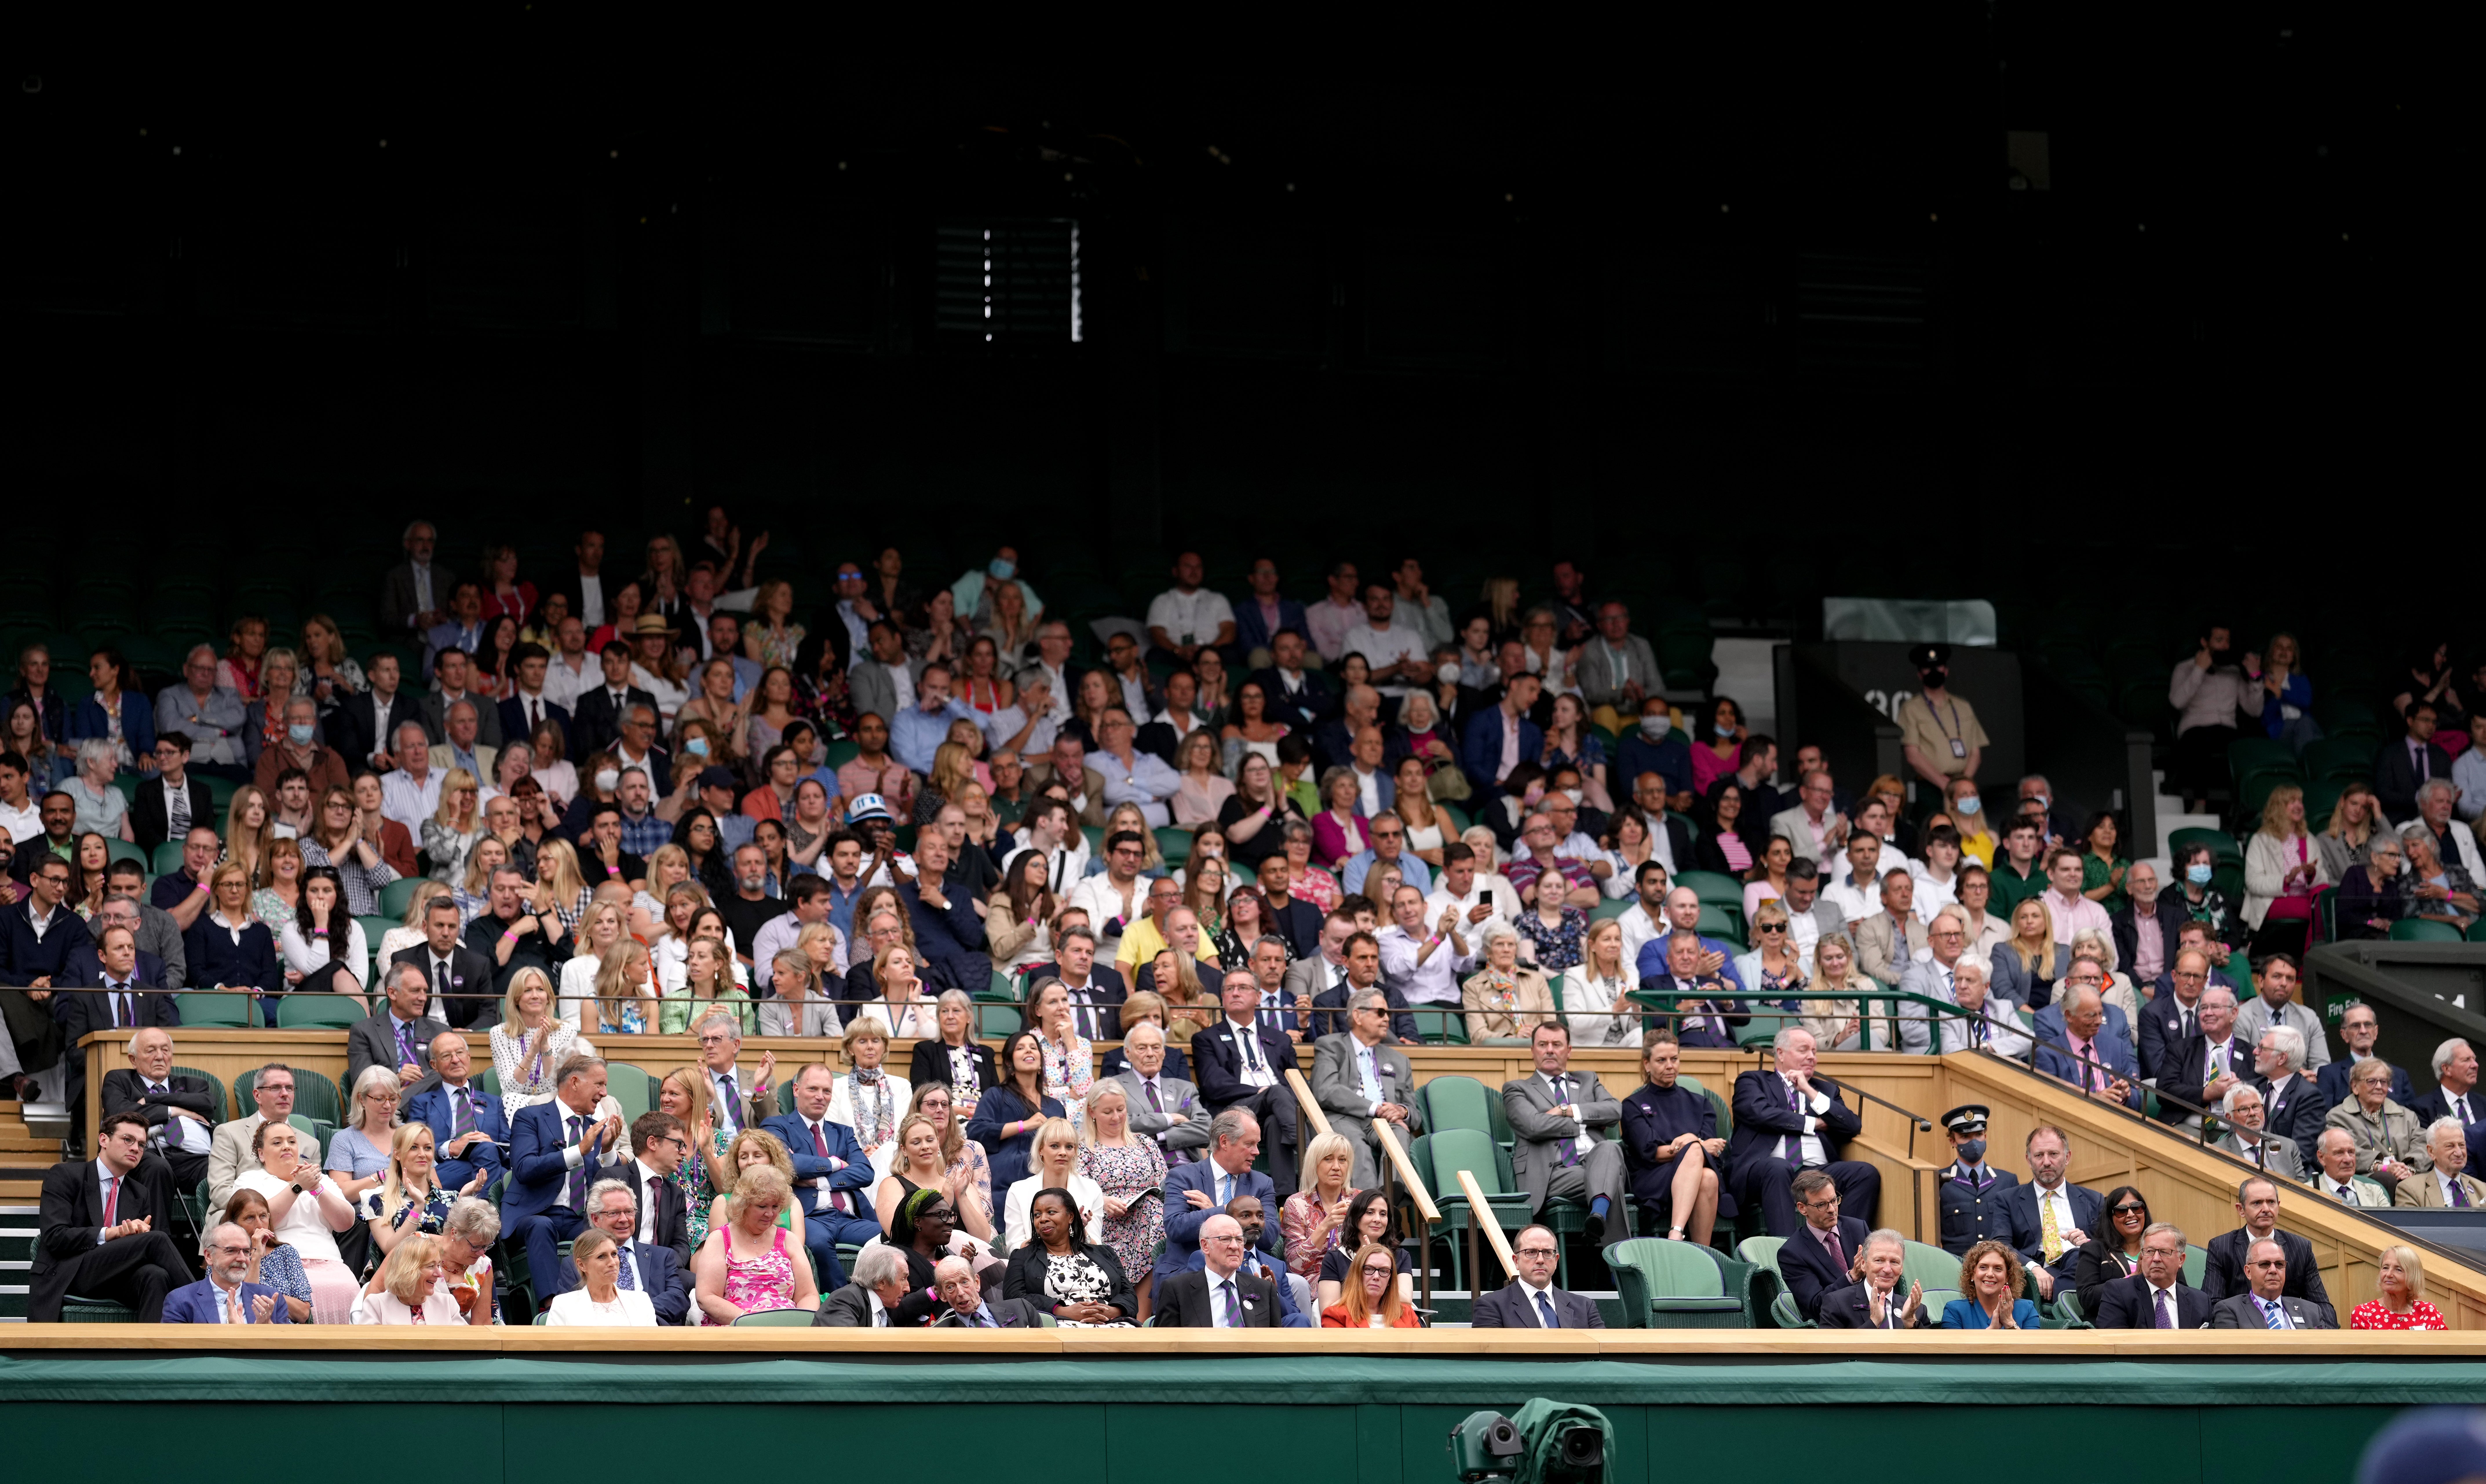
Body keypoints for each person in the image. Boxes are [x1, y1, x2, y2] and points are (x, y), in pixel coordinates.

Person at [29, 1110, 191, 1322]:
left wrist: (136, 1237)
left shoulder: (140, 1193)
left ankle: (152, 1343)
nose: (136, 1148)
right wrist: (111, 1233)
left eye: (142, 1145)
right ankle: (207, 1304)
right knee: (157, 1240)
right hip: (70, 1271)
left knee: (156, 1276)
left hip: (116, 1274)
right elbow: (55, 1237)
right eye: (128, 1140)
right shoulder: (65, 1175)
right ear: (104, 1140)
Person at [1726, 1026, 1880, 1237]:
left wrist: (1808, 1090)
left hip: (1816, 1171)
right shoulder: (1754, 1081)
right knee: (1778, 1167)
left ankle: (1846, 1245)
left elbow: (1852, 1126)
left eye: (1815, 1052)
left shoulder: (1825, 1091)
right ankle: (1788, 1251)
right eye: (1804, 1050)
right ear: (1781, 1053)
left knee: (1865, 1173)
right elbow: (1760, 1113)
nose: (1812, 1057)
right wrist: (1813, 1123)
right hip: (1765, 1169)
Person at [504, 1053, 622, 1313]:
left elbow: (610, 1185)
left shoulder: (595, 1129)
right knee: (541, 1226)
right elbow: (524, 1169)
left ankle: (605, 1306)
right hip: (533, 1213)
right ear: (576, 1082)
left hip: (578, 1218)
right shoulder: (530, 1117)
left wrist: (608, 1150)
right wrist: (578, 1151)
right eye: (599, 1084)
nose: (604, 1093)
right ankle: (552, 1310)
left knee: (605, 1234)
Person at [1501, 1019, 1628, 1243]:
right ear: (1532, 1051)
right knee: (1611, 1179)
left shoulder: (1588, 1080)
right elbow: (1534, 1126)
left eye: (1557, 1045)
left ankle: (1599, 1217)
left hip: (1597, 1160)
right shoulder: (1517, 1089)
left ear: (1569, 1051)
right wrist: (1585, 1123)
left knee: (1608, 1149)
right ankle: (1619, 1257)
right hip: (1554, 1173)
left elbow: (1614, 1110)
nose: (1550, 1050)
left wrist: (1567, 1110)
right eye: (1543, 1045)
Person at [233, 1116, 362, 1322]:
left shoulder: (321, 1179)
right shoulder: (250, 1180)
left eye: (292, 1141)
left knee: (349, 1288)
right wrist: (297, 1186)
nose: (287, 1146)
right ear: (262, 1154)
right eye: (277, 1143)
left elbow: (346, 1223)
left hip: (329, 1261)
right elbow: (258, 1222)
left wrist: (317, 1189)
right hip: (278, 1264)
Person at [1189, 973, 1303, 1194]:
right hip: (1235, 1109)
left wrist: (1274, 1095)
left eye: (1243, 988)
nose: (1235, 993)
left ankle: (1285, 1198)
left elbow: (1299, 1083)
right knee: (1277, 1093)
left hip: (1278, 1110)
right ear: (1223, 997)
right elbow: (1214, 1084)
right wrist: (1261, 1092)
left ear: (1259, 996)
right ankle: (1313, 1151)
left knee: (1275, 1123)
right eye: (1229, 989)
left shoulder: (1279, 1039)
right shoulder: (1207, 1039)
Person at [1616, 1031, 1726, 1244]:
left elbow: (1712, 1152)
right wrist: (1694, 1144)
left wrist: (1690, 1144)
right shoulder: (1633, 1105)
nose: (1670, 1066)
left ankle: (1694, 1249)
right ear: (1647, 1064)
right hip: (1653, 1176)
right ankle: (1679, 1235)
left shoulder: (1700, 1102)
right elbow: (1651, 1153)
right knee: (1696, 1151)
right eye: (1661, 1060)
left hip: (1696, 1173)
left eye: (1674, 1059)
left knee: (1709, 1177)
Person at [1311, 986, 1423, 1189]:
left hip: (1385, 1122)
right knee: (1355, 1145)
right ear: (1358, 1016)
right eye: (1380, 1012)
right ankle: (1367, 1201)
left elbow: (1415, 1114)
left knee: (1399, 1133)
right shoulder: (1331, 1045)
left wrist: (1402, 1111)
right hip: (1344, 1117)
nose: (1387, 1019)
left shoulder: (1399, 1060)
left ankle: (1390, 1199)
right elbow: (1326, 1090)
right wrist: (1376, 1108)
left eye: (1388, 1013)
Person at [693, 1163, 820, 1324]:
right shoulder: (720, 1239)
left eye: (775, 1207)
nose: (770, 1214)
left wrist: (800, 1325)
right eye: (762, 1206)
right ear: (743, 1204)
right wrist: (752, 1323)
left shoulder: (788, 1240)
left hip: (786, 1330)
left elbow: (808, 1295)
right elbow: (707, 1297)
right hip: (735, 1328)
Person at [1998, 1125, 2104, 1303]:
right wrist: (2033, 1268)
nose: (2046, 1162)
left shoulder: (2094, 1200)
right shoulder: (2008, 1200)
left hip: (2085, 1269)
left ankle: (2063, 1308)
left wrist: (2088, 1244)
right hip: (2037, 1276)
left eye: (2054, 1154)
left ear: (2067, 1157)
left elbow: (2109, 1245)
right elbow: (2001, 1245)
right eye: (2039, 1155)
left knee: (2078, 1256)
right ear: (2029, 1160)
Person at [2201, 1176, 2334, 1317]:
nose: (2266, 1209)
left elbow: (2323, 1308)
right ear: (2241, 1210)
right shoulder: (2222, 1248)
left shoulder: (2301, 1248)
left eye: (2271, 1202)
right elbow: (2212, 1307)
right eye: (2257, 1203)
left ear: (2278, 1206)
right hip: (2241, 1328)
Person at [966, 1029, 1067, 1193]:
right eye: (1021, 1048)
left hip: (1049, 1186)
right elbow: (976, 1131)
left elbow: (1066, 1146)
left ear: (1041, 1062)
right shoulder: (996, 1095)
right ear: (1009, 1062)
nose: (1028, 1051)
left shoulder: (1056, 1107)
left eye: (1033, 1048)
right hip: (1004, 1185)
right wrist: (1024, 1125)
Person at [2324, 1057, 2430, 1195]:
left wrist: (2408, 1169)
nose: (2379, 1087)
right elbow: (2345, 1153)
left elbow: (2423, 1145)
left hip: (2407, 1177)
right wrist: (2382, 1168)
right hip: (2365, 1180)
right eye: (2372, 1081)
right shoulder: (2338, 1117)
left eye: (2384, 1082)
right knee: (2386, 1179)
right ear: (2355, 1087)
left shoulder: (2407, 1116)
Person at [1153, 1211, 1277, 1327]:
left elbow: (1276, 1339)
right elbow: (1165, 1341)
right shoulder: (1177, 1290)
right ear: (1205, 1246)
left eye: (1240, 1240)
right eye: (1226, 1239)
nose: (1235, 1246)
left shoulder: (1264, 1289)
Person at [1471, 1221, 1605, 1328]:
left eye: (1547, 1253)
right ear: (1516, 1261)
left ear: (1556, 1260)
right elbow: (1491, 1353)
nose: (1541, 1260)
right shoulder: (1491, 1306)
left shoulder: (1585, 1307)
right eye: (1531, 1252)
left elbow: (1603, 1350)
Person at [164, 1220, 295, 1325]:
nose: (242, 1259)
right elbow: (175, 1350)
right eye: (232, 1251)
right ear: (209, 1256)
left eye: (246, 1252)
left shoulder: (271, 1299)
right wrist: (235, 1336)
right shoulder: (181, 1301)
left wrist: (267, 1330)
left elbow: (287, 1349)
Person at [2091, 1220, 2214, 1329]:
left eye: (2164, 1252)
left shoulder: (2201, 1302)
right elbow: (2113, 1343)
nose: (2156, 1259)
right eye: (2150, 1252)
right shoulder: (2119, 1293)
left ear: (2181, 1260)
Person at [1931, 1103, 2016, 1256]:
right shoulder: (1939, 1181)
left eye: (1978, 1135)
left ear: (1986, 1135)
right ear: (1953, 1141)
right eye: (1965, 1137)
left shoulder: (2007, 1181)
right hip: (1956, 1264)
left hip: (1997, 1264)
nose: (1974, 1142)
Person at [543, 1225, 662, 1326]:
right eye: (602, 1257)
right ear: (582, 1265)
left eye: (614, 1254)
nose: (612, 1263)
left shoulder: (641, 1301)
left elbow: (653, 1345)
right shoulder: (563, 1305)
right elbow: (554, 1346)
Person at [2209, 1236, 2337, 1329]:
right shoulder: (2230, 1311)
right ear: (2248, 1272)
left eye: (2279, 1264)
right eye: (2264, 1264)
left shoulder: (2312, 1311)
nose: (2273, 1270)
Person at [2069, 1184, 2153, 1317]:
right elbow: (2087, 1297)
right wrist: (2132, 1280)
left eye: (2137, 1207)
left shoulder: (2162, 1247)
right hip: (2115, 1323)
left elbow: (2181, 1289)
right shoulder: (2094, 1249)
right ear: (2110, 1218)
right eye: (2121, 1211)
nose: (2131, 1214)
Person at [348, 1233, 464, 1325]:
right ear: (408, 1270)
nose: (440, 1274)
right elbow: (369, 1346)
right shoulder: (376, 1305)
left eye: (438, 1266)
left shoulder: (448, 1304)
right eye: (430, 1266)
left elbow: (464, 1345)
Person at [1941, 1238, 2039, 1330]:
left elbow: (2033, 1344)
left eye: (1998, 1269)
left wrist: (2009, 1322)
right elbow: (1953, 1344)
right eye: (1983, 1267)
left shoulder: (2027, 1309)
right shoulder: (1954, 1311)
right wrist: (1992, 1330)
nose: (1990, 1274)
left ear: (2008, 1277)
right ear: (1972, 1275)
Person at [932, 1251, 1048, 1328]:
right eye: (951, 1287)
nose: (961, 1293)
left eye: (965, 1282)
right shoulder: (941, 1334)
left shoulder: (1021, 1308)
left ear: (977, 1283)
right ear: (942, 1295)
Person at [1323, 1238, 1421, 1329]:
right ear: (1357, 1275)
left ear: (1390, 1281)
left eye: (1384, 1271)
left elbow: (1421, 1343)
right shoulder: (1336, 1315)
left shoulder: (1407, 1313)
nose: (1376, 1277)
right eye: (1369, 1269)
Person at [2216, 1084, 2304, 1179]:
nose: (2252, 1113)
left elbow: (2301, 1184)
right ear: (2230, 1118)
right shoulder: (2218, 1153)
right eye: (2244, 1109)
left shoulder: (2288, 1147)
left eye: (2256, 1107)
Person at [2393, 1120, 2486, 1209]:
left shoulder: (2482, 1189)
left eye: (2462, 1145)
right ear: (2431, 1152)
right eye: (2450, 1146)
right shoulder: (2411, 1190)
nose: (2459, 1153)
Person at [816, 1244, 915, 1328]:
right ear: (881, 1283)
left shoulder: (883, 1314)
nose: (908, 1289)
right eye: (903, 1279)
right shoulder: (846, 1299)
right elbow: (843, 1343)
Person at [2350, 1245, 2447, 1330]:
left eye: (2398, 1270)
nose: (2389, 1274)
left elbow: (2446, 1344)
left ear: (2413, 1277)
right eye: (2385, 1268)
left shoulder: (2428, 1312)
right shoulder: (2364, 1314)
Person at [2309, 1127, 2390, 1209]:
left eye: (2351, 1152)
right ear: (2322, 1157)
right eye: (2339, 1153)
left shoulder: (2375, 1193)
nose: (2348, 1160)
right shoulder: (2307, 1193)